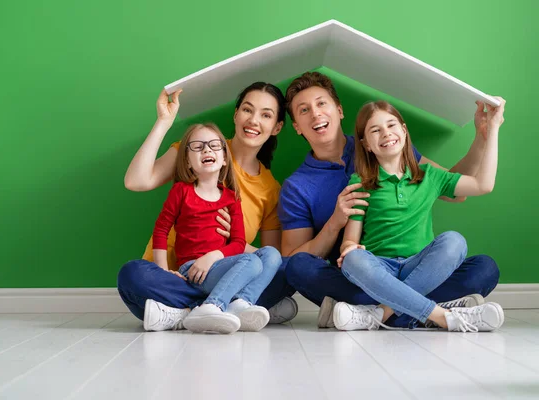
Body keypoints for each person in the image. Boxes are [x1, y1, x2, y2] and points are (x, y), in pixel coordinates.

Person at [279, 72, 501, 329]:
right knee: (300, 267)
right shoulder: (297, 187)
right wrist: (335, 224)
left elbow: (456, 189)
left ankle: (373, 315)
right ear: (296, 125)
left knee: (483, 268)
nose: (316, 114)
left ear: (339, 110)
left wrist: (483, 136)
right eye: (304, 110)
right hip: (364, 274)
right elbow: (291, 259)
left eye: (321, 103)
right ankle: (438, 311)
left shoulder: (391, 148)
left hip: (414, 268)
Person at [118, 83, 297, 332]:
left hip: (226, 273)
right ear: (236, 115)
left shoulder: (270, 189)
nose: (254, 120)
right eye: (247, 110)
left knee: (289, 270)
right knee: (132, 274)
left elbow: (268, 257)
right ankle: (217, 308)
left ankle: (182, 314)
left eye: (266, 115)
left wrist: (234, 242)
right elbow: (136, 181)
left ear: (277, 126)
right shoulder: (200, 148)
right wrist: (163, 122)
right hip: (171, 278)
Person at [332, 99, 505, 332]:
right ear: (366, 145)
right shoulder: (360, 182)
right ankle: (443, 316)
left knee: (455, 241)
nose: (386, 133)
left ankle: (380, 313)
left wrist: (491, 130)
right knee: (353, 260)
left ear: (404, 131)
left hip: (421, 267)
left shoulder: (430, 176)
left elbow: (483, 184)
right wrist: (350, 249)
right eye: (375, 130)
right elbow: (349, 241)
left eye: (392, 125)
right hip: (380, 267)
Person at [151, 122, 281, 333]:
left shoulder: (231, 198)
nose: (207, 150)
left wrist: (212, 256)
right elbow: (161, 230)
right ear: (187, 160)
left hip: (221, 265)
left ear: (223, 159)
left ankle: (240, 304)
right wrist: (163, 272)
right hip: (193, 269)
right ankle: (211, 307)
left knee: (272, 255)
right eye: (198, 146)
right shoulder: (181, 191)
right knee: (251, 261)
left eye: (214, 145)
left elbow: (238, 243)